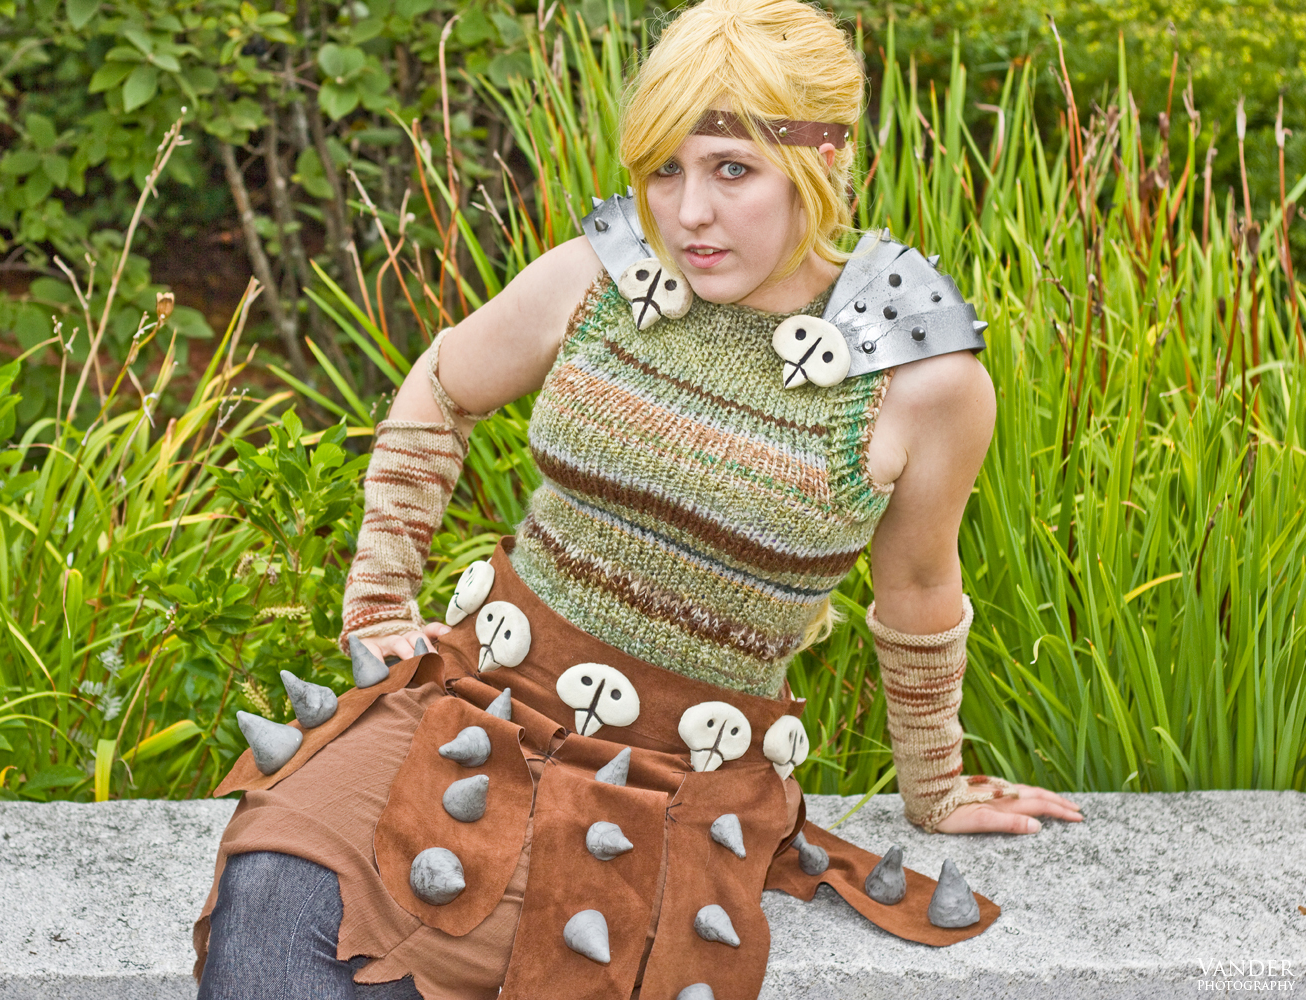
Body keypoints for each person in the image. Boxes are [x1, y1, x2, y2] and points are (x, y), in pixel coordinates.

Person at [195, 0, 1083, 997]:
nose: (688, 212)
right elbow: (442, 385)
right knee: (272, 894)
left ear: (826, 157)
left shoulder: (919, 381)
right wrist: (376, 603)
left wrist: (936, 785)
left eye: (732, 170)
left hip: (673, 781)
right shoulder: (599, 280)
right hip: (469, 707)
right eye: (665, 168)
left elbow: (917, 588)